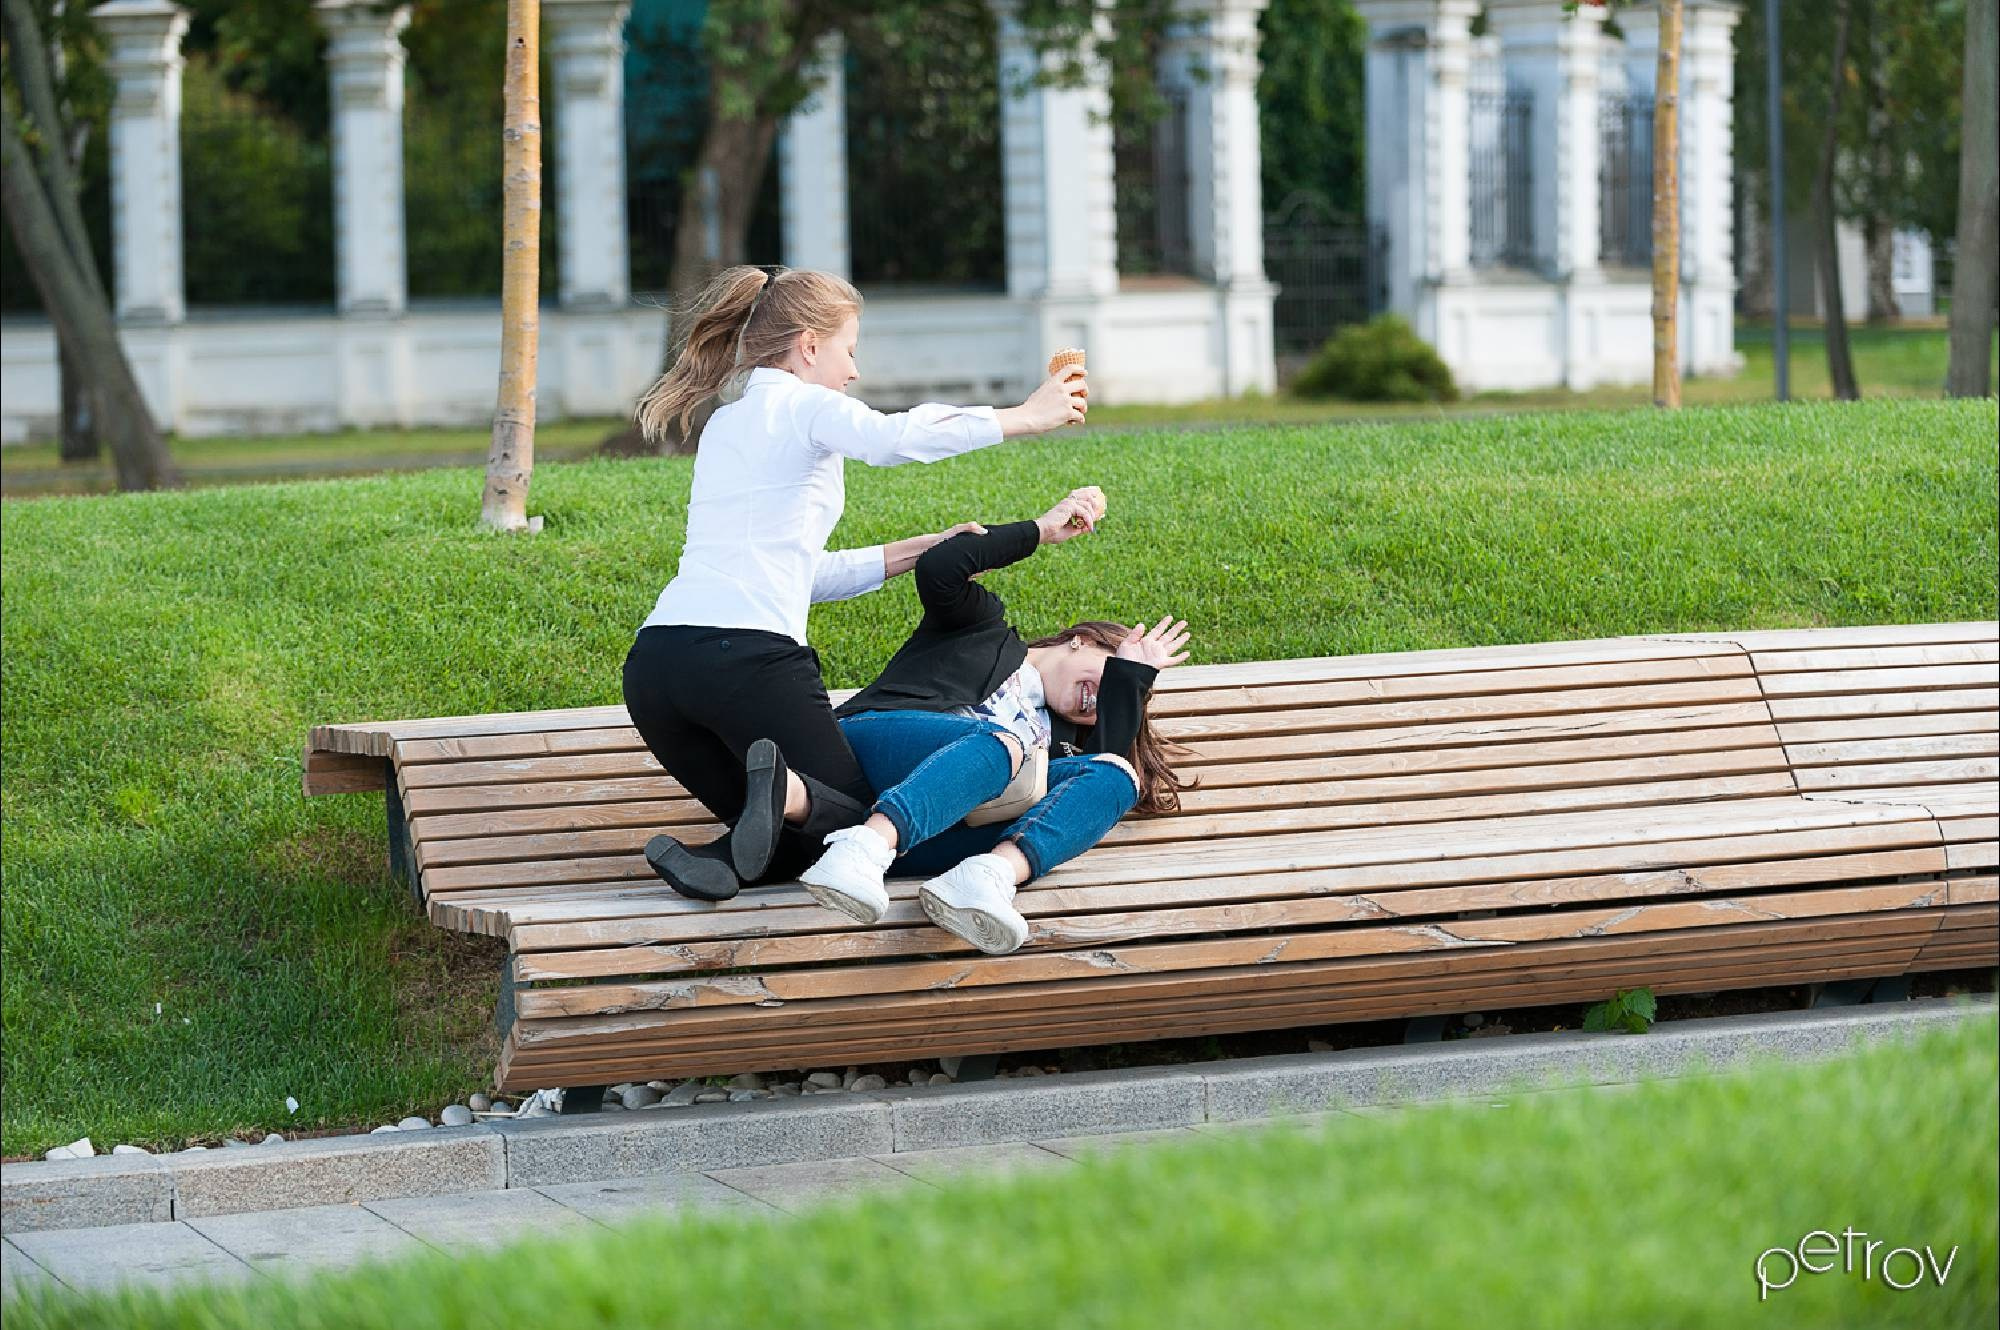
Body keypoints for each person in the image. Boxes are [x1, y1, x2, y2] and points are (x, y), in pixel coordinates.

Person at [623, 265, 1090, 903]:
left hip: (657, 668)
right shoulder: (806, 404)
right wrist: (1026, 416)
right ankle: (754, 826)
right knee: (856, 815)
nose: (854, 371)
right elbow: (894, 438)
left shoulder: (727, 424)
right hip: (747, 660)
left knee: (798, 831)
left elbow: (796, 573)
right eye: (849, 350)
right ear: (809, 346)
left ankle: (721, 861)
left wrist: (915, 552)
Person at [796, 488, 1194, 955]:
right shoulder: (982, 630)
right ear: (1081, 640)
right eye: (1112, 670)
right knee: (1002, 743)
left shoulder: (1059, 744)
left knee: (1114, 776)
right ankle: (862, 846)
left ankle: (987, 877)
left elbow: (1104, 767)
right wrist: (1043, 530)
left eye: (1110, 701)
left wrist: (1129, 680)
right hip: (870, 750)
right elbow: (940, 568)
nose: (1097, 702)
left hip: (929, 838)